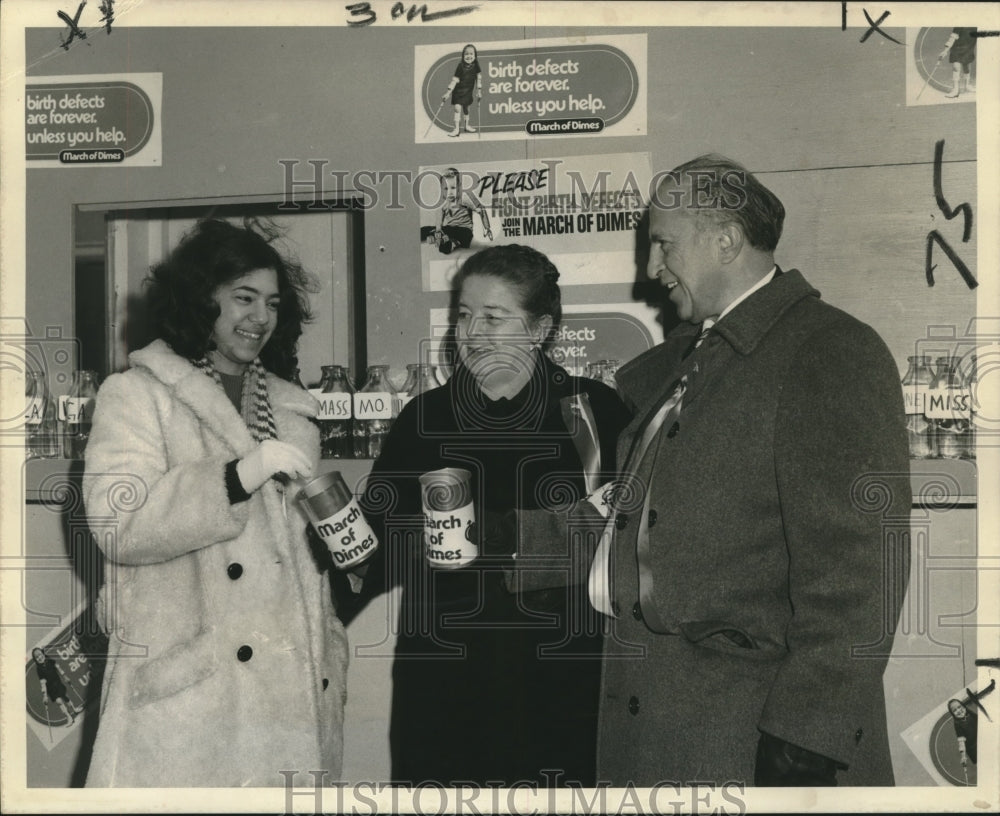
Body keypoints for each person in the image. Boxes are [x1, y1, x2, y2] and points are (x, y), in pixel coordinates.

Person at [591, 155, 911, 786]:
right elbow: (633, 519)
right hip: (672, 733)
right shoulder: (695, 360)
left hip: (752, 744)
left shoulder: (829, 350)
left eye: (662, 244)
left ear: (726, 240)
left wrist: (805, 740)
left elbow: (861, 571)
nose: (652, 270)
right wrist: (494, 543)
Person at [351, 244, 631, 786]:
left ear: (541, 328)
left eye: (493, 317)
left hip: (562, 687)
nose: (471, 332)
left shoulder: (594, 413)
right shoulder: (425, 417)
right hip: (444, 689)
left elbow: (625, 543)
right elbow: (373, 550)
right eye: (463, 314)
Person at [82, 218, 348, 787]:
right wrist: (235, 476)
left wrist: (343, 550)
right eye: (243, 298)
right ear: (202, 299)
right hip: (191, 707)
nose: (261, 318)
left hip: (287, 700)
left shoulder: (291, 410)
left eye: (273, 303)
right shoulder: (136, 395)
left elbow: (289, 562)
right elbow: (115, 524)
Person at [420, 167, 493, 254]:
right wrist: (438, 229)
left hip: (465, 230)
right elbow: (439, 214)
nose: (450, 192)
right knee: (426, 229)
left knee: (458, 236)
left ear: (459, 186)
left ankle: (451, 243)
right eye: (446, 189)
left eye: (453, 188)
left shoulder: (465, 197)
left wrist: (487, 227)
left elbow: (481, 209)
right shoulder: (444, 201)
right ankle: (439, 238)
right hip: (451, 228)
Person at [442, 44, 482, 137]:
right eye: (466, 54)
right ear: (463, 56)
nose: (469, 56)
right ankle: (456, 129)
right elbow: (455, 80)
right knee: (457, 108)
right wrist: (448, 93)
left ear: (475, 56)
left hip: (468, 91)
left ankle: (467, 126)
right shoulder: (460, 66)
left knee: (466, 108)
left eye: (471, 54)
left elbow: (478, 78)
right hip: (458, 92)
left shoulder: (476, 66)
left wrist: (479, 91)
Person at [32, 648, 77, 726]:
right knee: (59, 701)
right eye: (37, 657)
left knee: (65, 697)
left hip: (58, 683)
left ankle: (74, 709)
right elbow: (42, 683)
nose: (39, 657)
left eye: (40, 655)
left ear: (43, 653)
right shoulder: (39, 669)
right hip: (51, 689)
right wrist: (45, 696)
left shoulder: (50, 660)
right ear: (35, 660)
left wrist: (65, 676)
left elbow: (58, 668)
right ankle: (69, 717)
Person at [939, 28, 976, 99]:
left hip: (969, 47)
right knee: (956, 67)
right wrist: (945, 51)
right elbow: (952, 38)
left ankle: (967, 85)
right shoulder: (959, 23)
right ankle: (955, 90)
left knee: (967, 66)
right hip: (957, 48)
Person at [948, 698, 978, 766]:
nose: (958, 710)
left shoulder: (970, 713)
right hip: (974, 751)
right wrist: (963, 756)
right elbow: (961, 742)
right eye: (955, 710)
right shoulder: (957, 724)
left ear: (963, 706)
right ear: (953, 714)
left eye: (959, 707)